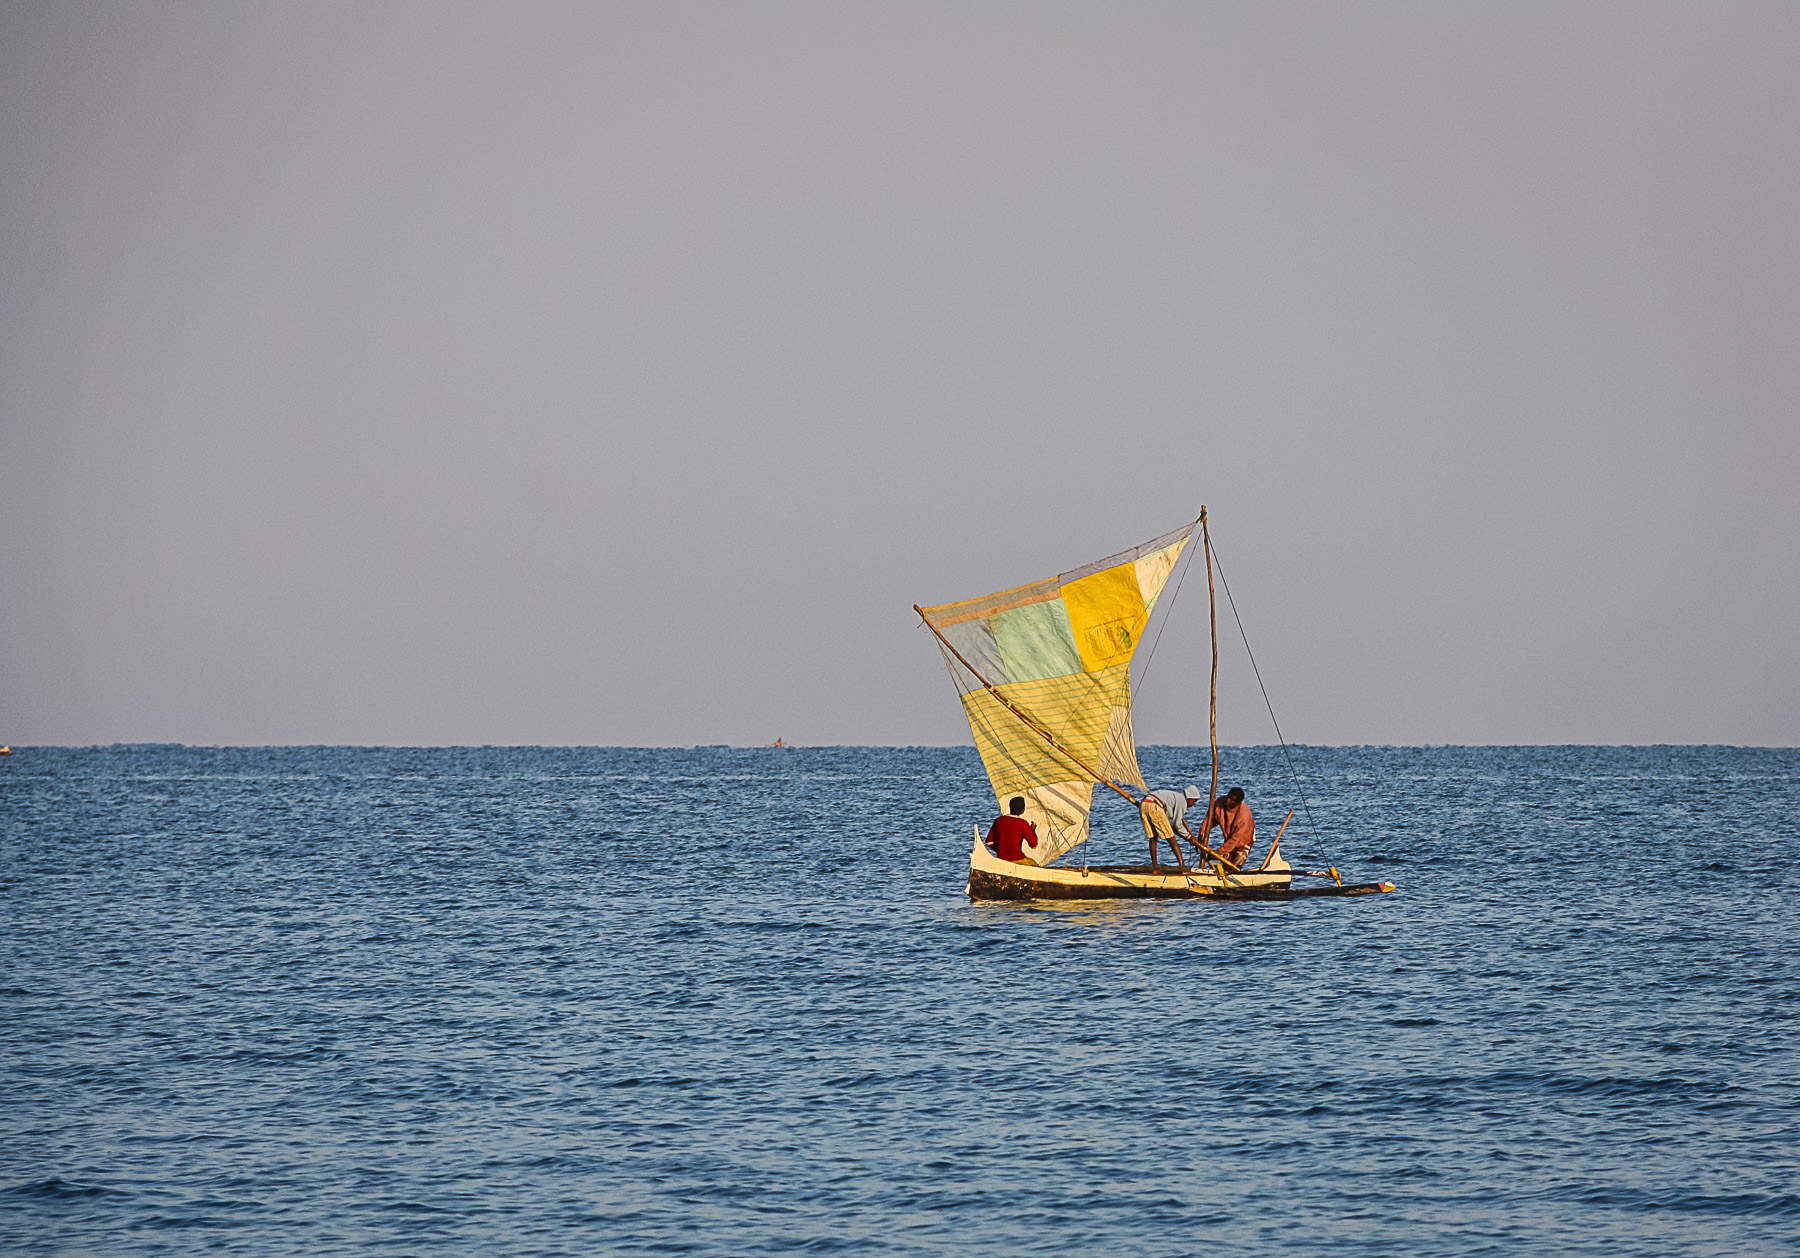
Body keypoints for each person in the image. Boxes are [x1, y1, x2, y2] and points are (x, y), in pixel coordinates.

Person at [1140, 785, 1203, 867]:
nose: (1193, 804)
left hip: (1144, 803)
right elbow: (1177, 825)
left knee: (1153, 837)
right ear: (1190, 798)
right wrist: (1189, 837)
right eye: (1194, 801)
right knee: (1171, 839)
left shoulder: (1176, 797)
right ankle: (1182, 866)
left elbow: (1174, 825)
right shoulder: (1182, 801)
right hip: (1155, 806)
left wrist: (1188, 837)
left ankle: (1155, 866)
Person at [1203, 787, 1257, 866]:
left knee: (1236, 865)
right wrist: (1202, 834)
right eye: (1228, 797)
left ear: (1238, 803)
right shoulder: (1219, 803)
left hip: (1244, 841)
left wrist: (1218, 852)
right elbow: (1209, 820)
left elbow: (1235, 839)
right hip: (1228, 837)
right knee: (1226, 864)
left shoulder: (1244, 815)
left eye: (1232, 800)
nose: (1228, 800)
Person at [985, 796, 1041, 864]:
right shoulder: (1023, 824)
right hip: (1017, 859)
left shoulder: (999, 821)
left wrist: (1000, 851)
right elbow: (1034, 845)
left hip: (1001, 858)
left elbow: (989, 842)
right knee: (1034, 864)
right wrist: (1033, 830)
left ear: (1010, 807)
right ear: (1022, 810)